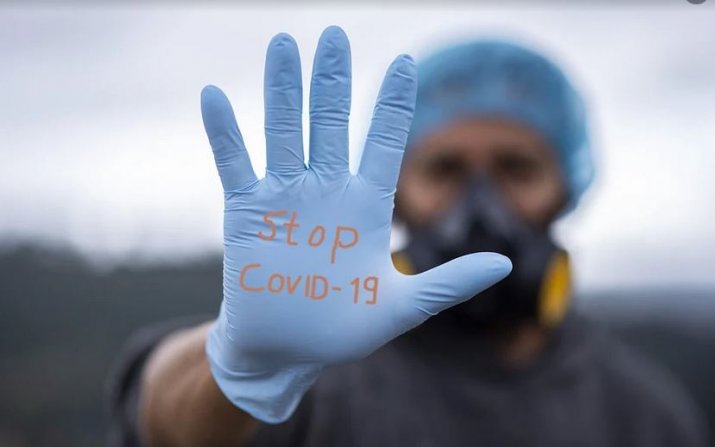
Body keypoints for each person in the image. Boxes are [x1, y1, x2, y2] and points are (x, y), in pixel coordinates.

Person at [108, 26, 708, 447]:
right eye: (444, 170)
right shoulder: (324, 367)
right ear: (393, 191)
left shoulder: (646, 416)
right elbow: (164, 428)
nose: (480, 206)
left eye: (517, 169)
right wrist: (240, 369)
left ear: (566, 189)